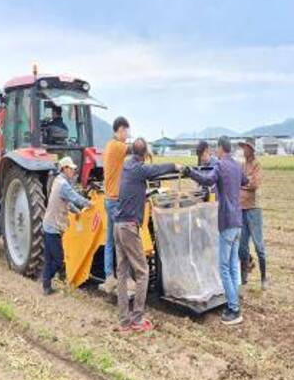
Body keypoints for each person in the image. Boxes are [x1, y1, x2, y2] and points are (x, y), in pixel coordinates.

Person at [113, 138, 181, 332]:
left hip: (118, 225)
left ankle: (124, 321)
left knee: (122, 273)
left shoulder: (127, 167)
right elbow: (157, 170)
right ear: (144, 155)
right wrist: (176, 166)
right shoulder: (139, 169)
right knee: (143, 272)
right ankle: (138, 319)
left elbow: (135, 190)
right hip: (128, 227)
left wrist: (146, 194)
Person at [185, 136, 248, 325]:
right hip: (238, 221)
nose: (215, 151)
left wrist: (189, 172)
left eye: (216, 149)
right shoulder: (237, 166)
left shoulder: (220, 166)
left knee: (224, 267)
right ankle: (235, 298)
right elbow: (245, 181)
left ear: (221, 149)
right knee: (233, 264)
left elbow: (207, 180)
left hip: (227, 222)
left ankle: (234, 309)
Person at [42, 156, 91, 295]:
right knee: (58, 260)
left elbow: (67, 202)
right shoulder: (63, 184)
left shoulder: (58, 182)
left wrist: (77, 212)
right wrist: (89, 203)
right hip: (53, 227)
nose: (73, 172)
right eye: (71, 169)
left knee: (49, 259)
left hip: (49, 224)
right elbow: (74, 197)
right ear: (65, 169)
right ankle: (46, 279)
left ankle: (46, 287)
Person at [101, 117, 131, 293]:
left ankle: (109, 276)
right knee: (122, 240)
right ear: (120, 130)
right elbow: (135, 149)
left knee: (110, 240)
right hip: (114, 201)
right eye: (126, 131)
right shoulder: (116, 146)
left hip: (109, 199)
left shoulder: (110, 146)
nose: (127, 135)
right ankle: (124, 278)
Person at [238, 139, 267, 289]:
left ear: (251, 150)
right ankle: (244, 277)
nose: (244, 151)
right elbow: (239, 182)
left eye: (246, 148)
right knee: (242, 246)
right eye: (243, 148)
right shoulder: (242, 166)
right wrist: (245, 183)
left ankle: (264, 278)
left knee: (258, 245)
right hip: (241, 208)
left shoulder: (257, 164)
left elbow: (255, 185)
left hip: (254, 208)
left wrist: (244, 184)